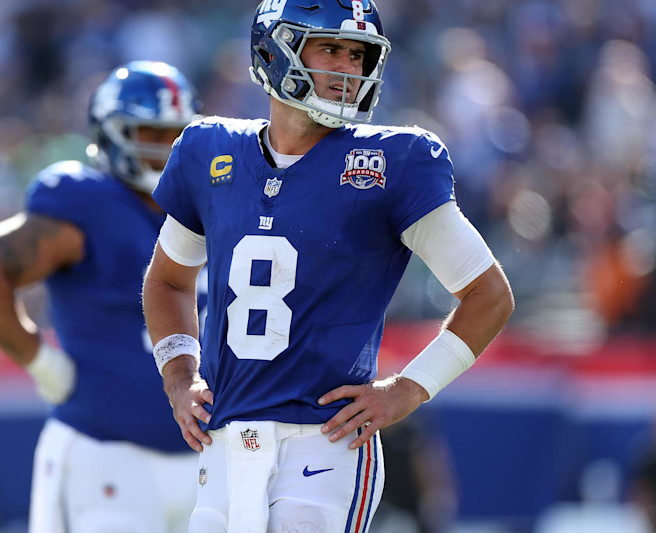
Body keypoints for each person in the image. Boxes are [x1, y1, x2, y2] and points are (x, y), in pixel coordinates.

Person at [142, 1, 515, 532]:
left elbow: (489, 294)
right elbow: (167, 279)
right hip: (224, 445)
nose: (348, 70)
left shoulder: (394, 161)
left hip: (325, 445)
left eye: (359, 56)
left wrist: (409, 388)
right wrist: (180, 377)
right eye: (332, 49)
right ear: (275, 50)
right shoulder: (209, 149)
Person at [0, 61, 202, 533]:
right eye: (150, 131)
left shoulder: (209, 206)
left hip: (206, 462)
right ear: (112, 132)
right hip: (104, 456)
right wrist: (42, 362)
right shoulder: (87, 202)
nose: (166, 148)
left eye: (176, 134)